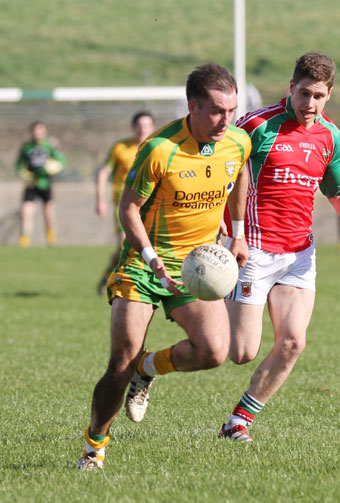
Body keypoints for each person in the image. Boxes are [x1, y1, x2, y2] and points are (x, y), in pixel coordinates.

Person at [77, 63, 252, 470]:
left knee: (213, 351)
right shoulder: (160, 148)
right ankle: (93, 447)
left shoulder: (237, 142)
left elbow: (240, 170)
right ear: (192, 106)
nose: (226, 120)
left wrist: (238, 231)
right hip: (144, 264)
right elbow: (128, 208)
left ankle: (149, 368)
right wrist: (152, 260)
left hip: (196, 266)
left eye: (232, 110)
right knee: (119, 361)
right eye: (216, 111)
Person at [217, 51, 340, 442]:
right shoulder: (256, 126)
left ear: (329, 96)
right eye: (304, 93)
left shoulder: (330, 137)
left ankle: (238, 422)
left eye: (319, 96)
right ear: (290, 87)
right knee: (240, 352)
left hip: (298, 256)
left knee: (293, 343)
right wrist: (227, 234)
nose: (310, 104)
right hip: (252, 250)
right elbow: (221, 181)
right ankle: (159, 357)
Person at [95, 111, 155, 295]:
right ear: (133, 127)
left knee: (141, 246)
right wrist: (100, 200)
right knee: (124, 245)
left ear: (152, 128)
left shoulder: (156, 148)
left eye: (146, 126)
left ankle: (111, 276)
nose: (142, 129)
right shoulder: (121, 148)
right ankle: (119, 284)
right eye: (139, 125)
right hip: (124, 205)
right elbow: (103, 173)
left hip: (149, 205)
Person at [15, 121, 66, 247]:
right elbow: (18, 165)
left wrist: (51, 168)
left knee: (48, 212)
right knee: (26, 211)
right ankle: (25, 239)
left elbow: (61, 162)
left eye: (40, 131)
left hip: (46, 184)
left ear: (44, 132)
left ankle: (50, 238)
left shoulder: (49, 146)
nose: (37, 134)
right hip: (31, 185)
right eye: (35, 131)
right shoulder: (27, 147)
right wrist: (24, 173)